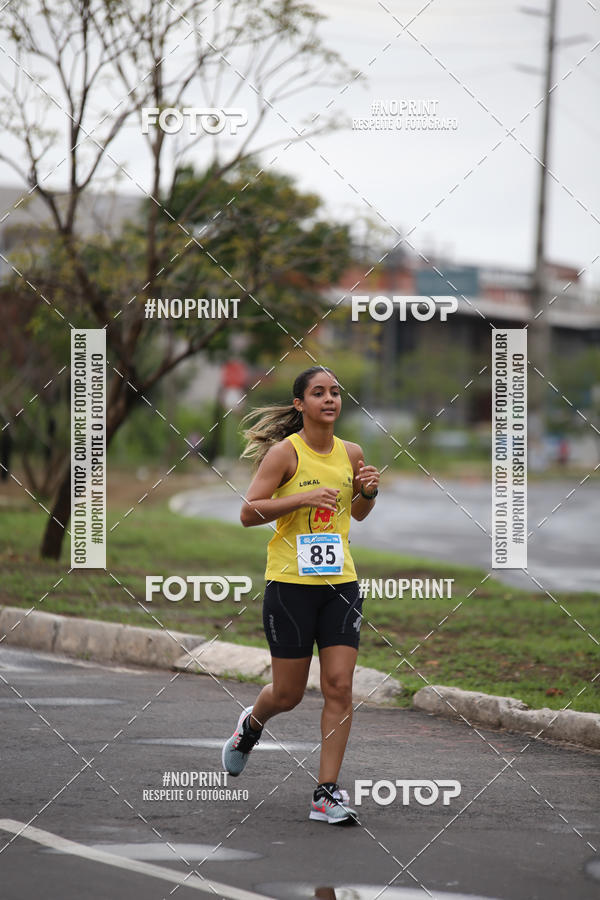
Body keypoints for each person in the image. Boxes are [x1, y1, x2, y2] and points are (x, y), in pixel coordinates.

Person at [221, 365, 380, 824]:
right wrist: (301, 499)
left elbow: (360, 515)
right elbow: (249, 513)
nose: (329, 399)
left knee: (340, 687)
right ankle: (250, 727)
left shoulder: (352, 452)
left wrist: (369, 490)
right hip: (290, 586)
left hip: (340, 586)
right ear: (300, 404)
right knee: (288, 694)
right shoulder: (283, 454)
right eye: (318, 393)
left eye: (335, 391)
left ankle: (325, 793)